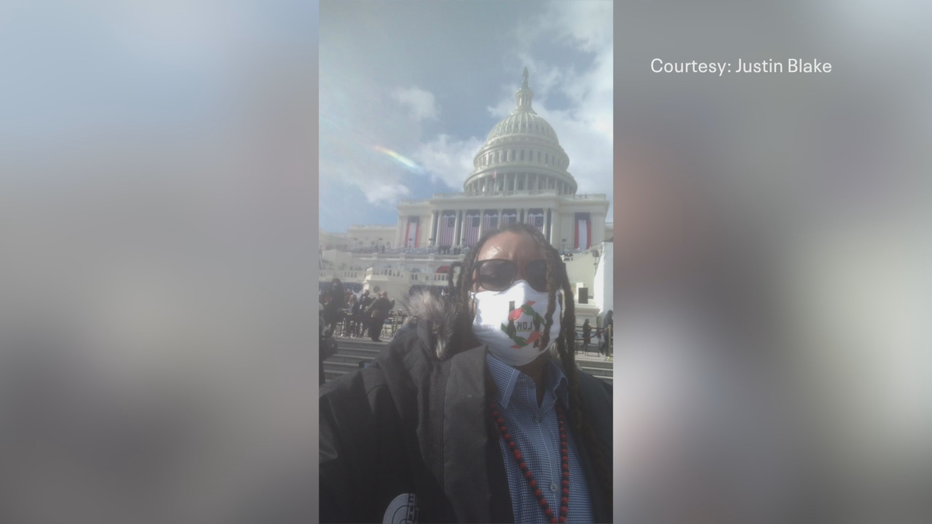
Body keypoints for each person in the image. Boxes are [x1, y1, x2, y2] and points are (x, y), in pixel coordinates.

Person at [320, 223, 612, 523]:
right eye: (495, 274)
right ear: (469, 296)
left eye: (541, 274)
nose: (522, 289)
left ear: (561, 292)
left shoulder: (603, 406)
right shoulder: (400, 395)